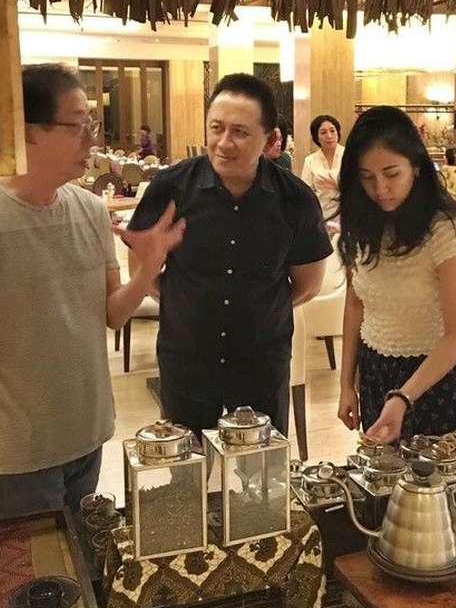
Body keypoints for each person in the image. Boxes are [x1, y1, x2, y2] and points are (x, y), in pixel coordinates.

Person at [0, 64, 183, 518]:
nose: (91, 140)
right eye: (77, 126)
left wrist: (147, 269)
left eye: (91, 125)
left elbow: (112, 314)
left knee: (85, 553)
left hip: (89, 431)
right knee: (36, 562)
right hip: (22, 450)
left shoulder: (90, 210)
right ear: (27, 131)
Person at [126, 73, 331, 436]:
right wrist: (185, 303)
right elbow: (141, 269)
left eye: (239, 132)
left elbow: (308, 285)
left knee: (260, 465)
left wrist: (257, 309)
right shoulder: (171, 187)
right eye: (216, 128)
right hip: (186, 356)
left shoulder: (295, 199)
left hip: (261, 360)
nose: (224, 143)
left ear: (270, 139)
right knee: (187, 460)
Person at [336, 106, 456, 444]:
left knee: (438, 474)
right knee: (383, 472)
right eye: (367, 177)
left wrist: (403, 397)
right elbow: (355, 305)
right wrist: (345, 383)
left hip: (437, 377)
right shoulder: (363, 224)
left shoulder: (446, 229)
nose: (380, 188)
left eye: (391, 173)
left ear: (416, 166)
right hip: (376, 371)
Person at [301, 115, 344, 219]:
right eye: (323, 132)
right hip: (320, 215)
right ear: (317, 137)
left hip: (346, 213)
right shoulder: (310, 160)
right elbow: (305, 193)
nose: (329, 136)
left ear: (338, 133)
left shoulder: (349, 155)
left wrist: (337, 185)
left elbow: (358, 189)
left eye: (332, 131)